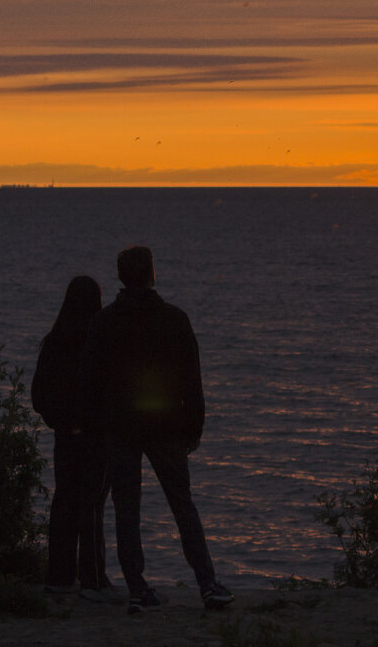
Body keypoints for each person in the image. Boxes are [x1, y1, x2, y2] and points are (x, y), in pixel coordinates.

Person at [81, 245, 233, 614]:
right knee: (182, 506)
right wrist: (194, 427)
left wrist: (98, 427)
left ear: (120, 277)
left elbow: (90, 382)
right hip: (166, 427)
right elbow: (191, 380)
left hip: (119, 427)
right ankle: (207, 583)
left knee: (126, 509)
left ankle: (137, 589)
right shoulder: (174, 320)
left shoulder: (103, 323)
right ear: (152, 274)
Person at [31, 275, 116, 600]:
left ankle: (60, 576)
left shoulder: (54, 342)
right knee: (92, 503)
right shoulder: (101, 342)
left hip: (66, 436)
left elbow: (40, 395)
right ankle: (93, 580)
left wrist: (62, 422)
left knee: (65, 500)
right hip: (97, 436)